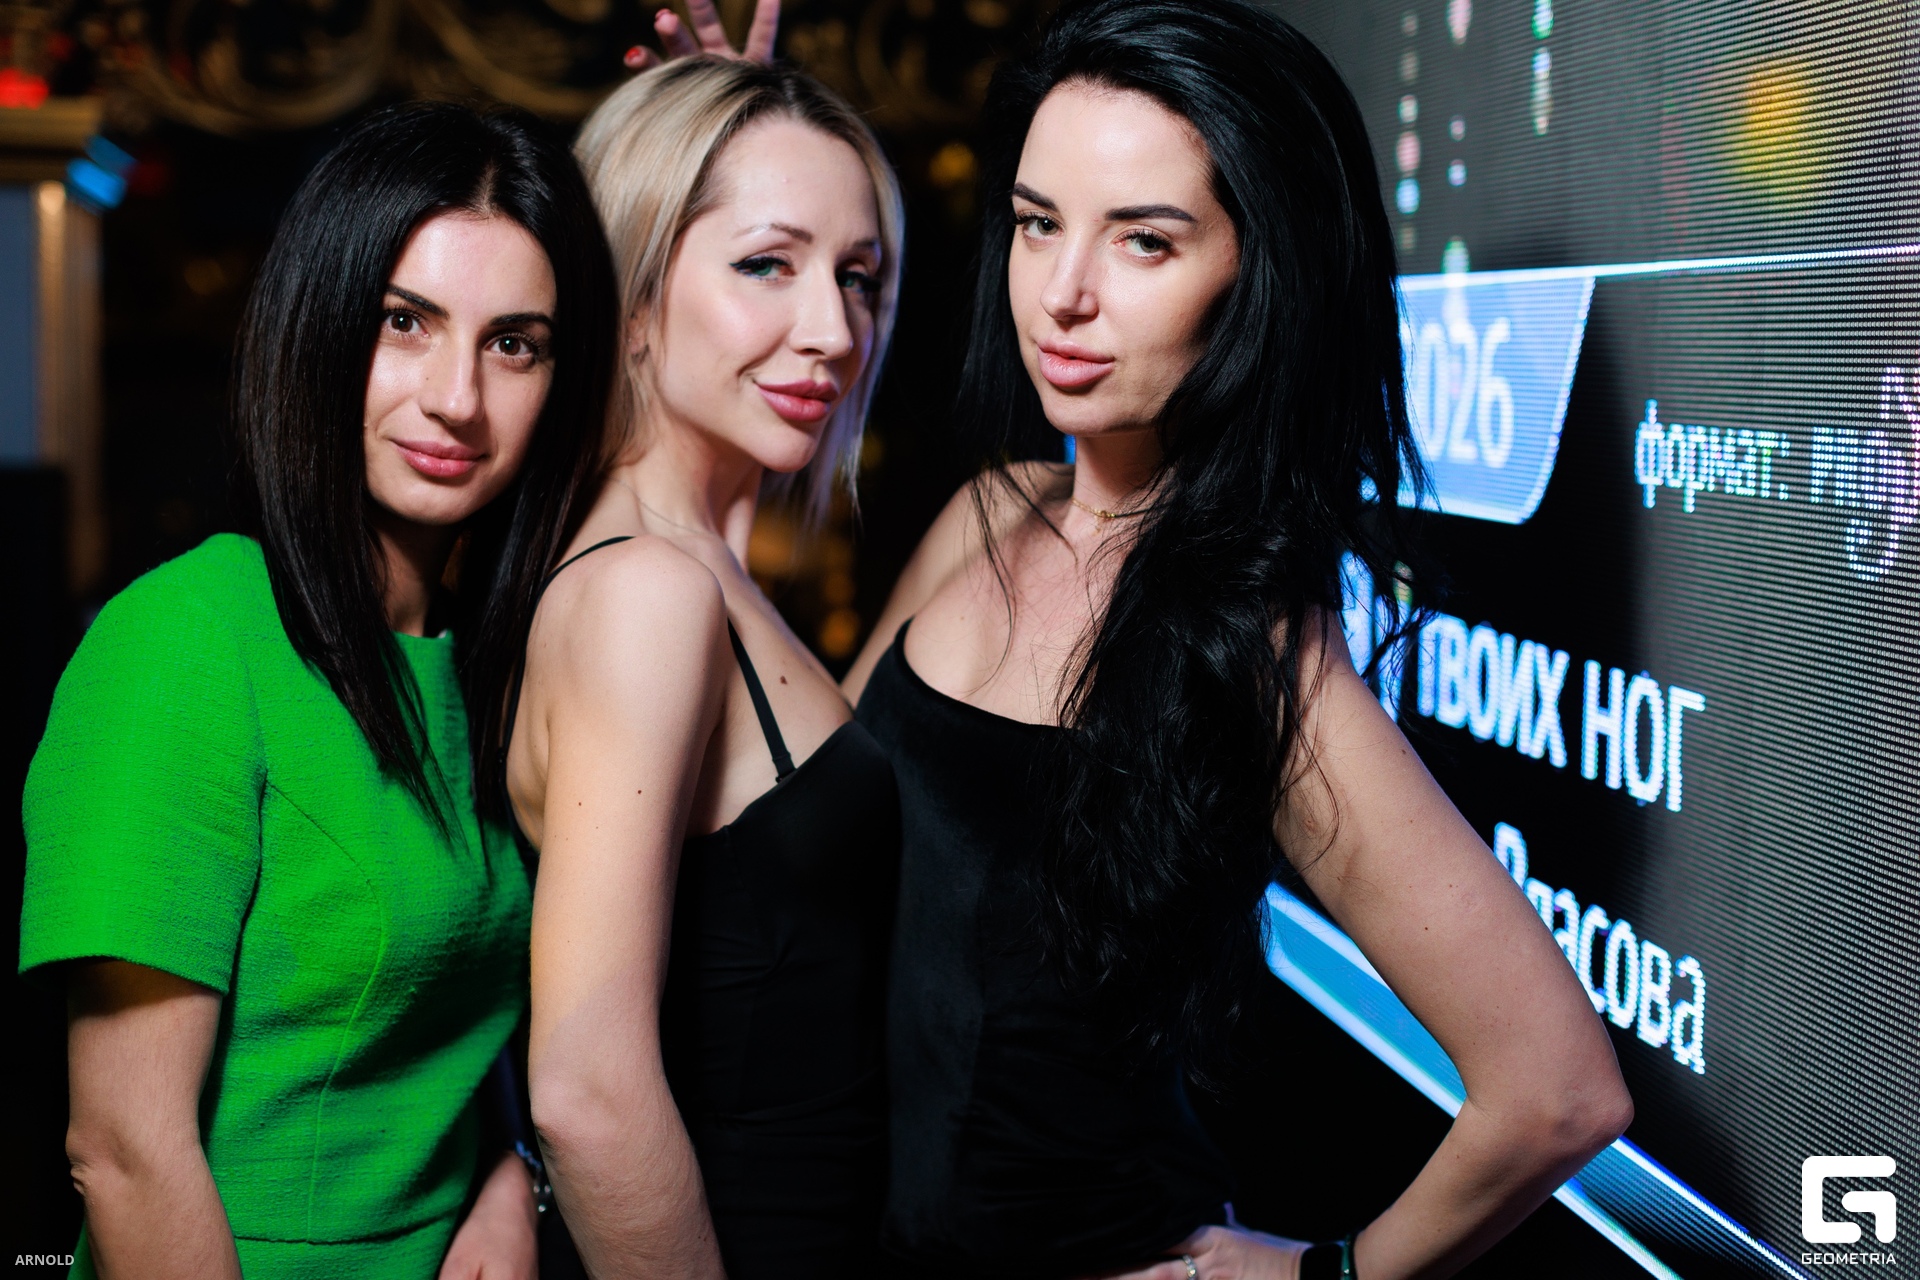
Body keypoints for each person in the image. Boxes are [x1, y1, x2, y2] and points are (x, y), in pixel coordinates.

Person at [841, 1, 1636, 1276]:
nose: (1063, 293)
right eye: (1039, 223)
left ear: (1259, 276)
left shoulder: (1250, 650)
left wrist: (1327, 1272)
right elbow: (803, 838)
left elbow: (1558, 1089)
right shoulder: (987, 512)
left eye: (1144, 241)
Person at [19, 102, 620, 1280]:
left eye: (514, 343)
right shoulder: (188, 639)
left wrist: (510, 1171)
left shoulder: (500, 653)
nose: (458, 396)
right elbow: (126, 1149)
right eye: (405, 321)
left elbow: (463, 1022)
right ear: (319, 319)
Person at [501, 56, 905, 1279]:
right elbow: (588, 1088)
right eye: (767, 264)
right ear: (632, 299)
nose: (833, 330)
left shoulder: (706, 571)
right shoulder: (646, 594)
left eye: (858, 275)